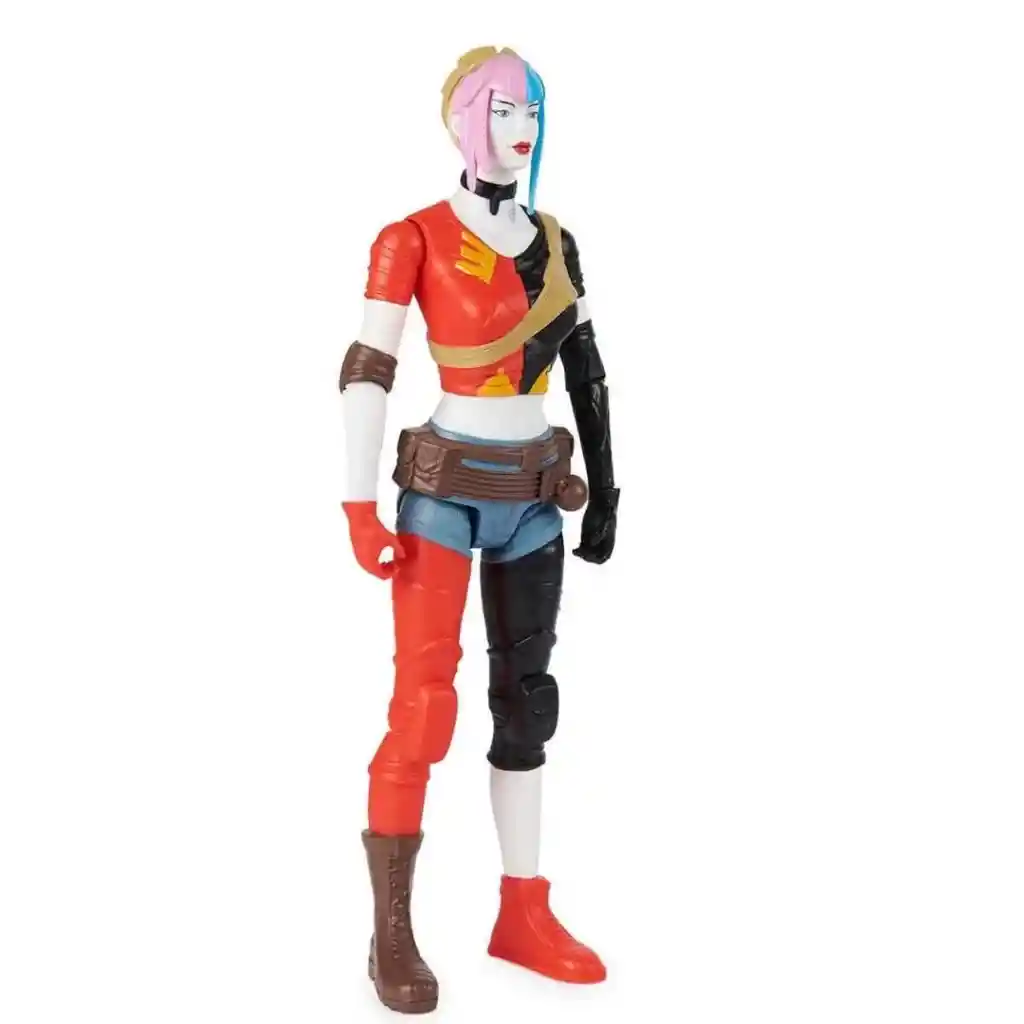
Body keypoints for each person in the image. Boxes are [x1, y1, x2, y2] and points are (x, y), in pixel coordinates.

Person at [339, 45, 619, 1014]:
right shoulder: (410, 236)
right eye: (502, 109)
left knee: (527, 706)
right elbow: (368, 366)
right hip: (443, 497)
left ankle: (522, 911)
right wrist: (355, 503)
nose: (520, 127)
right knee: (422, 709)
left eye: (531, 109)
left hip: (534, 498)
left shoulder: (555, 241)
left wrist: (607, 490)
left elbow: (585, 369)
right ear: (464, 118)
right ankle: (391, 930)